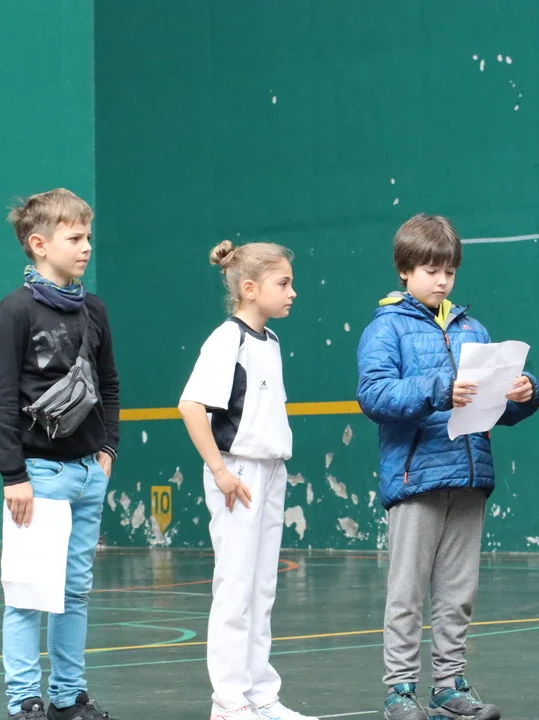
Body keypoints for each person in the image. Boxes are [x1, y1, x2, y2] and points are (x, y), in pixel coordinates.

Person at [357, 214, 539, 720]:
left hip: (469, 475)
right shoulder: (386, 328)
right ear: (405, 270)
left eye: (450, 272)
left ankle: (448, 686)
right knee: (407, 591)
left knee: (458, 592)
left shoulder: (472, 329)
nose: (442, 281)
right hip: (415, 477)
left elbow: (496, 406)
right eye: (431, 271)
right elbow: (374, 395)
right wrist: (438, 389)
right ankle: (399, 690)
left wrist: (524, 394)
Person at [178, 240, 315, 720]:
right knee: (235, 588)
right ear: (251, 288)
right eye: (284, 283)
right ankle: (228, 701)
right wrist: (220, 472)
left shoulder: (270, 341)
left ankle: (260, 695)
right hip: (237, 472)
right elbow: (191, 406)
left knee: (261, 589)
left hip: (271, 472)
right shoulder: (227, 339)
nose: (292, 292)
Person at [0, 189, 119, 720]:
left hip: (89, 473)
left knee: (75, 594)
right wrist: (13, 474)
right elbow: (1, 396)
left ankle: (69, 697)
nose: (86, 246)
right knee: (29, 593)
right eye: (75, 238)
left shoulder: (94, 309)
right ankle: (25, 700)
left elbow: (109, 385)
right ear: (39, 244)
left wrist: (107, 449)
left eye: (88, 236)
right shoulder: (15, 311)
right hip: (38, 476)